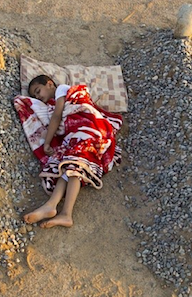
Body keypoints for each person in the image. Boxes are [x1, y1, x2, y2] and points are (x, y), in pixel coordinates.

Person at [20, 75, 122, 228]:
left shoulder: (62, 90)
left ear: (49, 84)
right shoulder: (51, 104)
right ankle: (51, 205)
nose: (38, 97)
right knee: (68, 165)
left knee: (75, 164)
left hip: (90, 127)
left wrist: (47, 142)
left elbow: (57, 116)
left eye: (38, 91)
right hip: (78, 132)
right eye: (35, 95)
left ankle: (66, 214)